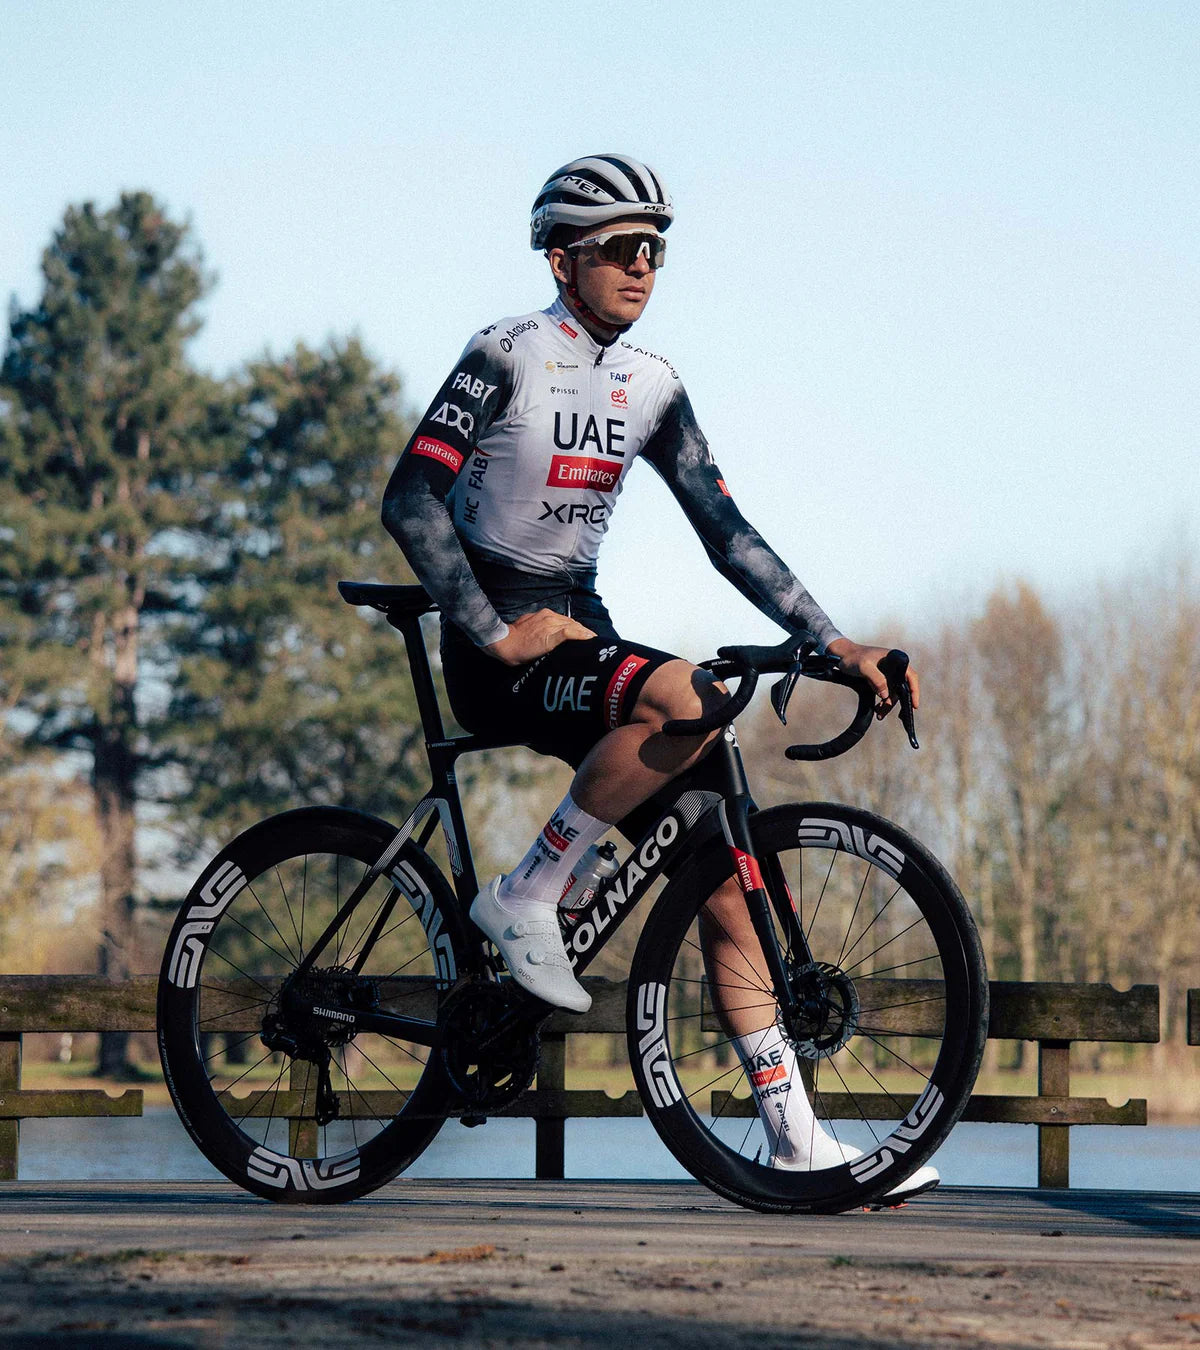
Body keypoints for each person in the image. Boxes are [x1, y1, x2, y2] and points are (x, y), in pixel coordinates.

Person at [382, 154, 937, 1198]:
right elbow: (411, 501)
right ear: (562, 258)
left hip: (581, 636)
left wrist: (837, 644)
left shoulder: (653, 384)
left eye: (656, 250)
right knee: (684, 693)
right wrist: (496, 635)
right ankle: (529, 891)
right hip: (497, 647)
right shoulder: (504, 353)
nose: (644, 266)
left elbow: (727, 534)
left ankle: (793, 1134)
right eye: (622, 249)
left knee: (724, 882)